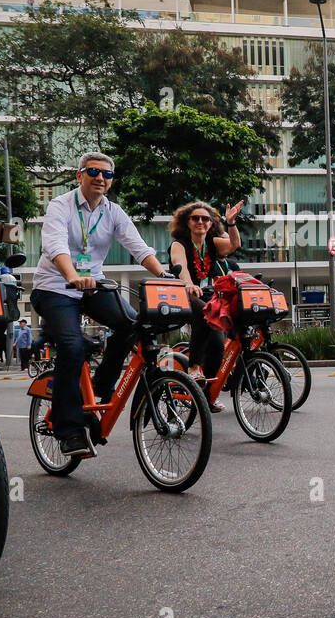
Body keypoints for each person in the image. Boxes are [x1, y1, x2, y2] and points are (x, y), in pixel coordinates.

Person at [30, 152, 164, 457]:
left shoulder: (113, 212)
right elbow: (54, 245)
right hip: (55, 288)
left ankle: (102, 385)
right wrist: (73, 275)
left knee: (133, 326)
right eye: (93, 171)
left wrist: (167, 277)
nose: (100, 178)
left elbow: (139, 248)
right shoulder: (60, 205)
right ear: (80, 176)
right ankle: (68, 430)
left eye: (107, 174)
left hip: (93, 286)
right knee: (72, 348)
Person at [167, 200, 243, 410]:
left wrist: (231, 223)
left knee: (218, 344)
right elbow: (179, 265)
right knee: (203, 314)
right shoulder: (179, 244)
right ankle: (192, 368)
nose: (200, 222)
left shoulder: (211, 242)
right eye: (195, 218)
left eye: (205, 219)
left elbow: (234, 245)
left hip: (206, 295)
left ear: (211, 224)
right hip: (182, 294)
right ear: (187, 222)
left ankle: (205, 395)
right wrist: (189, 284)